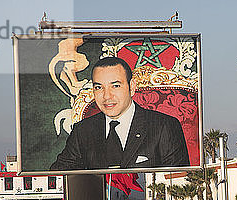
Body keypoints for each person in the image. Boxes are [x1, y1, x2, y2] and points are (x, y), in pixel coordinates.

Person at [50, 56, 190, 171]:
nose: (107, 96)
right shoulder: (83, 131)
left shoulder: (164, 126)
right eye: (99, 87)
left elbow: (178, 181)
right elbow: (59, 174)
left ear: (132, 87)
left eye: (115, 86)